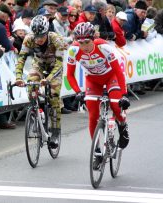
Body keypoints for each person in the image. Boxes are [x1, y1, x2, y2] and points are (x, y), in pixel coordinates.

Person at [66, 23, 130, 169]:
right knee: (93, 114)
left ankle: (123, 125)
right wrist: (77, 92)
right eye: (81, 43)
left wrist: (124, 95)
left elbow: (119, 71)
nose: (84, 46)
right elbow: (69, 75)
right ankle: (97, 153)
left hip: (111, 77)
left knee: (115, 104)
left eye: (87, 42)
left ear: (93, 38)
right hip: (93, 80)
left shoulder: (103, 47)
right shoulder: (73, 50)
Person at [15, 15, 68, 148]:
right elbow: (21, 59)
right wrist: (18, 77)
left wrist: (48, 79)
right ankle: (35, 113)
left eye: (42, 36)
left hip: (54, 66)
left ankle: (55, 131)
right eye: (36, 36)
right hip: (38, 64)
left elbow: (60, 64)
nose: (38, 40)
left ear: (46, 32)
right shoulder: (28, 39)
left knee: (54, 96)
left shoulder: (57, 39)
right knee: (31, 85)